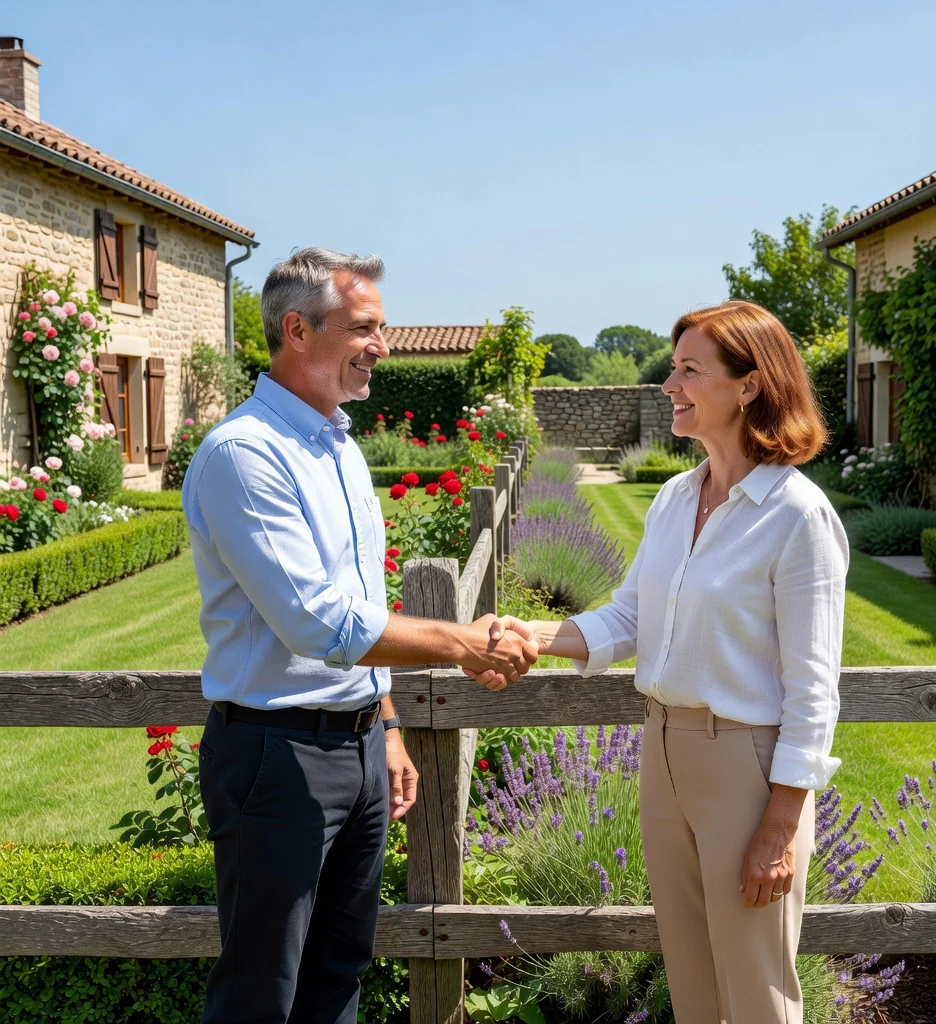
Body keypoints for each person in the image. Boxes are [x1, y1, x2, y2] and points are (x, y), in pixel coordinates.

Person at [182, 247, 537, 1024]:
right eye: (366, 328)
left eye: (385, 327)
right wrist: (465, 644)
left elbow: (360, 596)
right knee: (261, 997)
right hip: (278, 760)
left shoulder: (337, 444)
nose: (385, 345)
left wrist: (385, 724)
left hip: (356, 751)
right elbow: (317, 622)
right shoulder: (244, 456)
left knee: (337, 977)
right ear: (299, 330)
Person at [473, 300, 849, 1023]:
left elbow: (813, 691)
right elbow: (632, 618)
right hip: (663, 756)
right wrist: (535, 634)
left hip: (746, 771)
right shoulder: (677, 498)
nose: (669, 386)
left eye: (688, 370)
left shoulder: (797, 517)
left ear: (748, 386)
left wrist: (778, 828)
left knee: (757, 993)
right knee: (694, 986)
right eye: (672, 368)